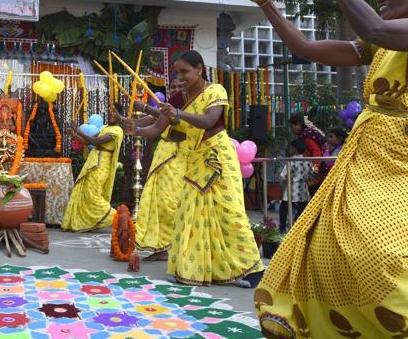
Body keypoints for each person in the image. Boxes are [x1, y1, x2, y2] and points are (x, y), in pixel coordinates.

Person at [244, 0, 408, 338]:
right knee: (326, 251)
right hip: (366, 154)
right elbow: (306, 47)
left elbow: (375, 27)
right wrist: (266, 3)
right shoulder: (379, 44)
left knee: (379, 249)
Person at [160, 51, 264, 287]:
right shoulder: (184, 100)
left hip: (219, 159)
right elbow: (172, 130)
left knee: (230, 213)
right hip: (196, 161)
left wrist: (177, 114)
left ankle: (253, 269)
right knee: (190, 211)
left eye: (185, 71)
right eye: (177, 72)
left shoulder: (215, 90)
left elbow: (209, 121)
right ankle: (190, 267)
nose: (181, 76)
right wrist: (136, 126)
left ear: (200, 69)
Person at [120, 97, 187, 261]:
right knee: (157, 201)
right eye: (172, 88)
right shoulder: (170, 106)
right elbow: (149, 123)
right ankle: (162, 247)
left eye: (178, 86)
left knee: (170, 202)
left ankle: (177, 245)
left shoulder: (192, 106)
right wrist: (123, 121)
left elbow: (171, 121)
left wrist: (145, 107)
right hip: (163, 156)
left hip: (179, 157)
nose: (174, 90)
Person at [62, 107, 125, 232]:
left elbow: (95, 141)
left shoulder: (118, 131)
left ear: (120, 116)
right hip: (93, 162)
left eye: (114, 112)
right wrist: (74, 135)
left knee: (93, 194)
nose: (111, 114)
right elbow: (87, 142)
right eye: (110, 112)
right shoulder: (105, 127)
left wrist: (78, 130)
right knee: (86, 191)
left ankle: (118, 217)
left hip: (101, 165)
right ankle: (87, 222)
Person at [278, 139, 315, 232]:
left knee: (284, 207)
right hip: (303, 188)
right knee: (302, 207)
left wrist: (282, 185)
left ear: (294, 149)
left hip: (291, 187)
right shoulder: (308, 161)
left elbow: (283, 176)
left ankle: (282, 227)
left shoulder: (291, 160)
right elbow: (311, 176)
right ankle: (297, 225)